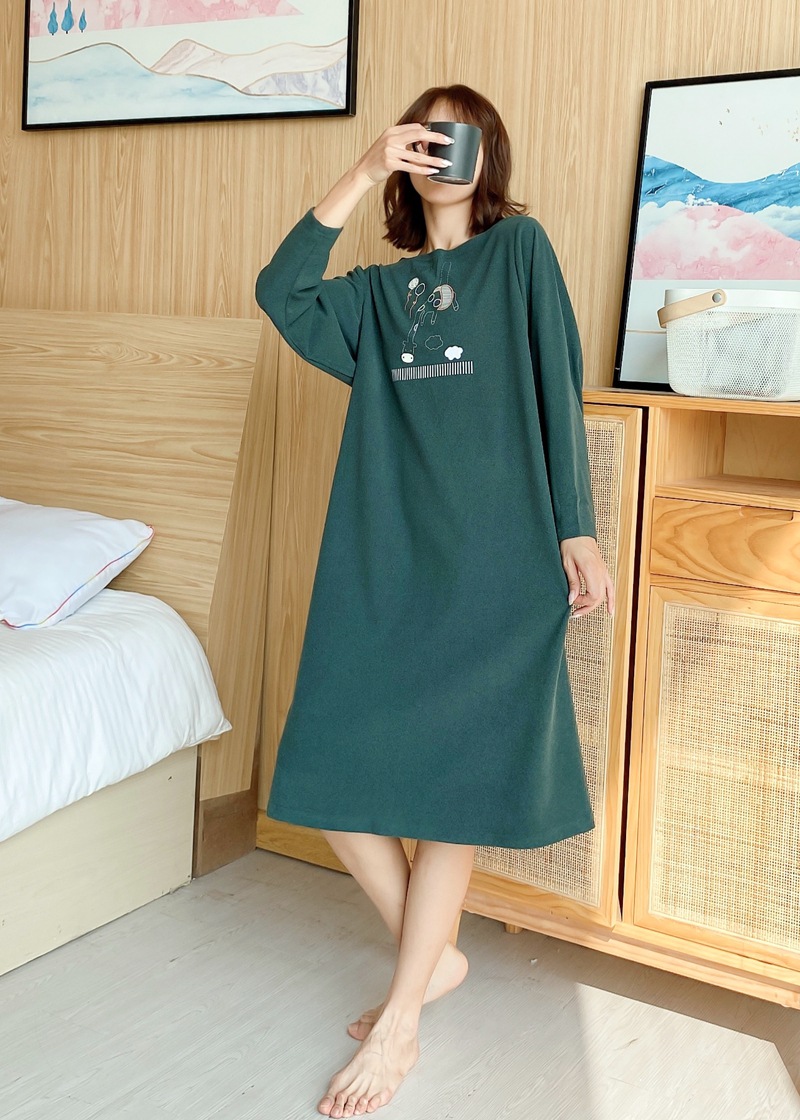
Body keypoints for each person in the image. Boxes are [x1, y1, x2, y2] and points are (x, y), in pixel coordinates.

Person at [255, 83, 615, 1118]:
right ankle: (437, 957)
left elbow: (556, 387)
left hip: (499, 559)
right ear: (407, 155)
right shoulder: (375, 298)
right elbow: (280, 292)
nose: (442, 152)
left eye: (461, 136)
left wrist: (575, 525)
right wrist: (361, 168)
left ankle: (404, 1014)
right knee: (324, 766)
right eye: (424, 137)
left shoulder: (520, 252)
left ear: (486, 154)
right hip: (384, 556)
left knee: (451, 792)